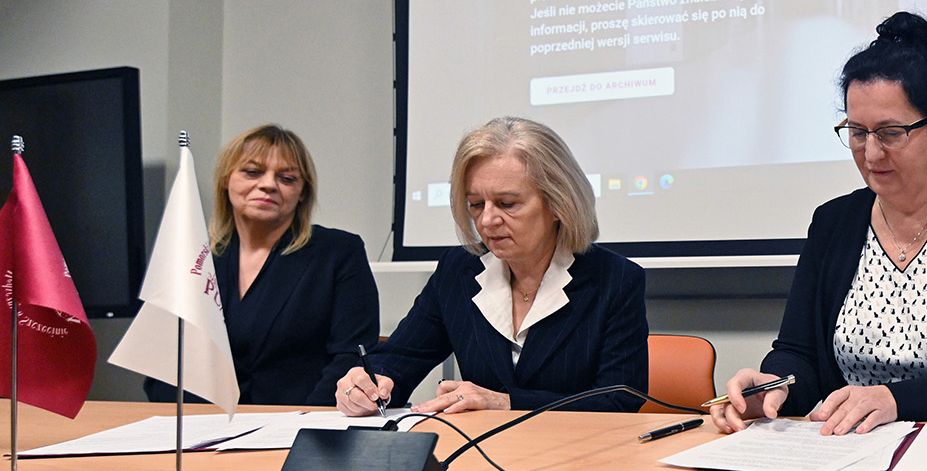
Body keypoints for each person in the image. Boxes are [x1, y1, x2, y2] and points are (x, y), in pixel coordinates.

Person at [708, 11, 927, 435]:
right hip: (855, 452)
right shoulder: (834, 223)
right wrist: (773, 387)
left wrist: (895, 400)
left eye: (891, 133)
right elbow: (800, 353)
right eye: (858, 132)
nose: (871, 154)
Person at [337, 117, 647, 415]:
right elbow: (401, 357)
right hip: (479, 449)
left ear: (558, 203)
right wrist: (371, 384)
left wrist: (506, 402)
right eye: (476, 204)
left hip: (578, 448)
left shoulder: (615, 279)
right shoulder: (458, 271)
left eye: (507, 204)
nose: (486, 220)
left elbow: (619, 400)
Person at [145, 124, 380, 406]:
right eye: (252, 172)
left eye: (287, 178)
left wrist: (304, 421)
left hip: (304, 421)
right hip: (203, 424)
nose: (268, 184)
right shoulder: (193, 260)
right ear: (226, 180)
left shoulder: (338, 252)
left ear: (302, 192)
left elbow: (350, 357)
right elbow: (163, 364)